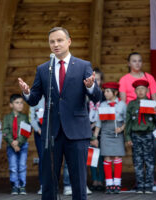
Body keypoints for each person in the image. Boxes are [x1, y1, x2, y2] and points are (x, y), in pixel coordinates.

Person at [18, 27, 102, 200]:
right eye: (52, 41)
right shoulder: (43, 69)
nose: (56, 44)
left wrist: (90, 86)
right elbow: (34, 99)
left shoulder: (83, 65)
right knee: (49, 182)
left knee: (78, 182)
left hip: (77, 132)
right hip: (51, 133)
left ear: (69, 41)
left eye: (59, 40)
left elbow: (96, 97)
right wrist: (26, 92)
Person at [125, 80, 156, 194]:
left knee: (150, 161)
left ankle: (149, 185)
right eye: (138, 89)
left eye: (143, 89)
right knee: (138, 161)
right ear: (135, 91)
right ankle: (140, 185)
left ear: (147, 91)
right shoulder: (131, 104)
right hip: (136, 135)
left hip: (149, 135)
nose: (140, 91)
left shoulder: (152, 103)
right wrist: (128, 137)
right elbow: (128, 122)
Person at [92, 82, 126, 194]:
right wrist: (95, 137)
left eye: (107, 91)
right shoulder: (102, 105)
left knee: (117, 157)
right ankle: (109, 184)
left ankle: (117, 184)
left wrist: (121, 129)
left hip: (117, 134)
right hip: (106, 134)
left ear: (115, 93)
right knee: (107, 158)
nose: (105, 93)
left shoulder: (122, 105)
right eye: (104, 91)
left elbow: (127, 121)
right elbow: (98, 123)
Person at [3, 94, 30, 195]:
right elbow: (5, 131)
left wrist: (18, 142)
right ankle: (15, 186)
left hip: (23, 145)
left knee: (22, 166)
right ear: (11, 105)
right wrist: (13, 143)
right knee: (13, 166)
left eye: (21, 103)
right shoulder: (7, 118)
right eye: (17, 103)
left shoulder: (25, 117)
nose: (20, 105)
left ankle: (22, 186)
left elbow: (26, 132)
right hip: (11, 146)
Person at [88, 68, 104, 192]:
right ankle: (95, 179)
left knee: (102, 157)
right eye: (94, 79)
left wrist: (96, 124)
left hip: (102, 129)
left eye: (98, 79)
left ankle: (102, 179)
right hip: (88, 129)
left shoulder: (105, 95)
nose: (96, 81)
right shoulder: (87, 96)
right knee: (92, 156)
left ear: (101, 81)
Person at [29, 96, 44, 194]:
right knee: (43, 157)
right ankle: (43, 185)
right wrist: (38, 130)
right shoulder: (35, 98)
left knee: (54, 158)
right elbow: (31, 118)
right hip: (39, 130)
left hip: (54, 130)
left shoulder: (54, 96)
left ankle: (53, 185)